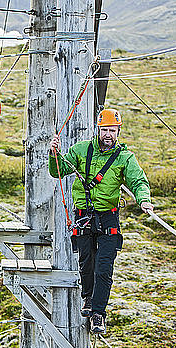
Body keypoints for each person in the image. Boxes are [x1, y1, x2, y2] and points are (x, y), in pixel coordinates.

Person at [48, 108, 153, 335]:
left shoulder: (125, 158)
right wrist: (53, 154)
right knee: (86, 263)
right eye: (105, 129)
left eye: (112, 130)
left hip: (108, 217)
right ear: (98, 129)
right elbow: (58, 171)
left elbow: (138, 181)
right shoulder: (81, 150)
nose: (108, 134)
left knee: (103, 268)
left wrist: (144, 200)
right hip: (84, 216)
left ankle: (98, 314)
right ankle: (88, 299)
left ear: (118, 131)